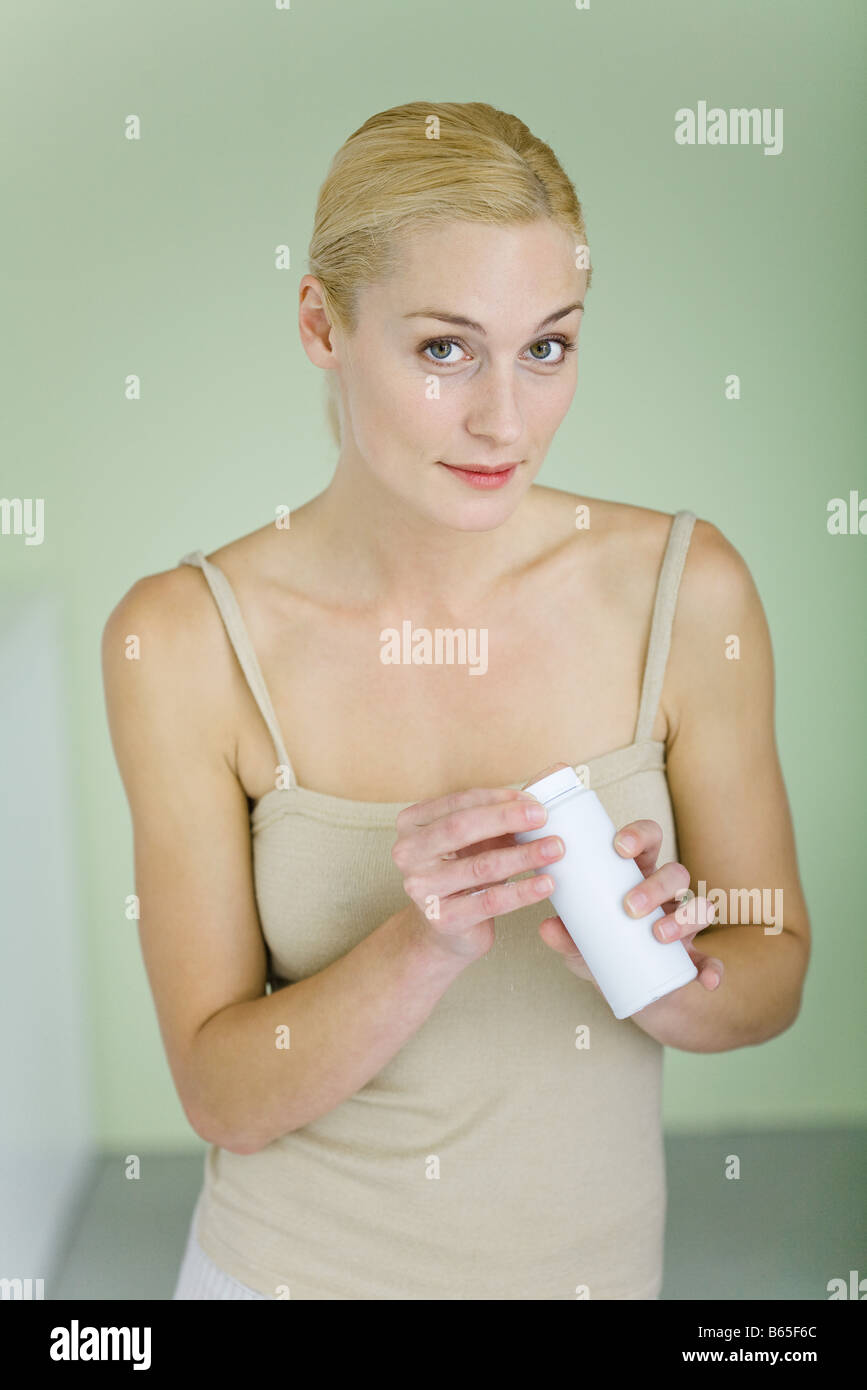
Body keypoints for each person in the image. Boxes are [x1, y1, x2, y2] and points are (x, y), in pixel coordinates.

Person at [101, 100, 811, 1300]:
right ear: (323, 322)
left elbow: (775, 971)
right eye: (444, 349)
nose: (504, 419)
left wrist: (660, 966)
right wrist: (419, 943)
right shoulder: (182, 641)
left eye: (548, 346)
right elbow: (220, 1093)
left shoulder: (688, 593)